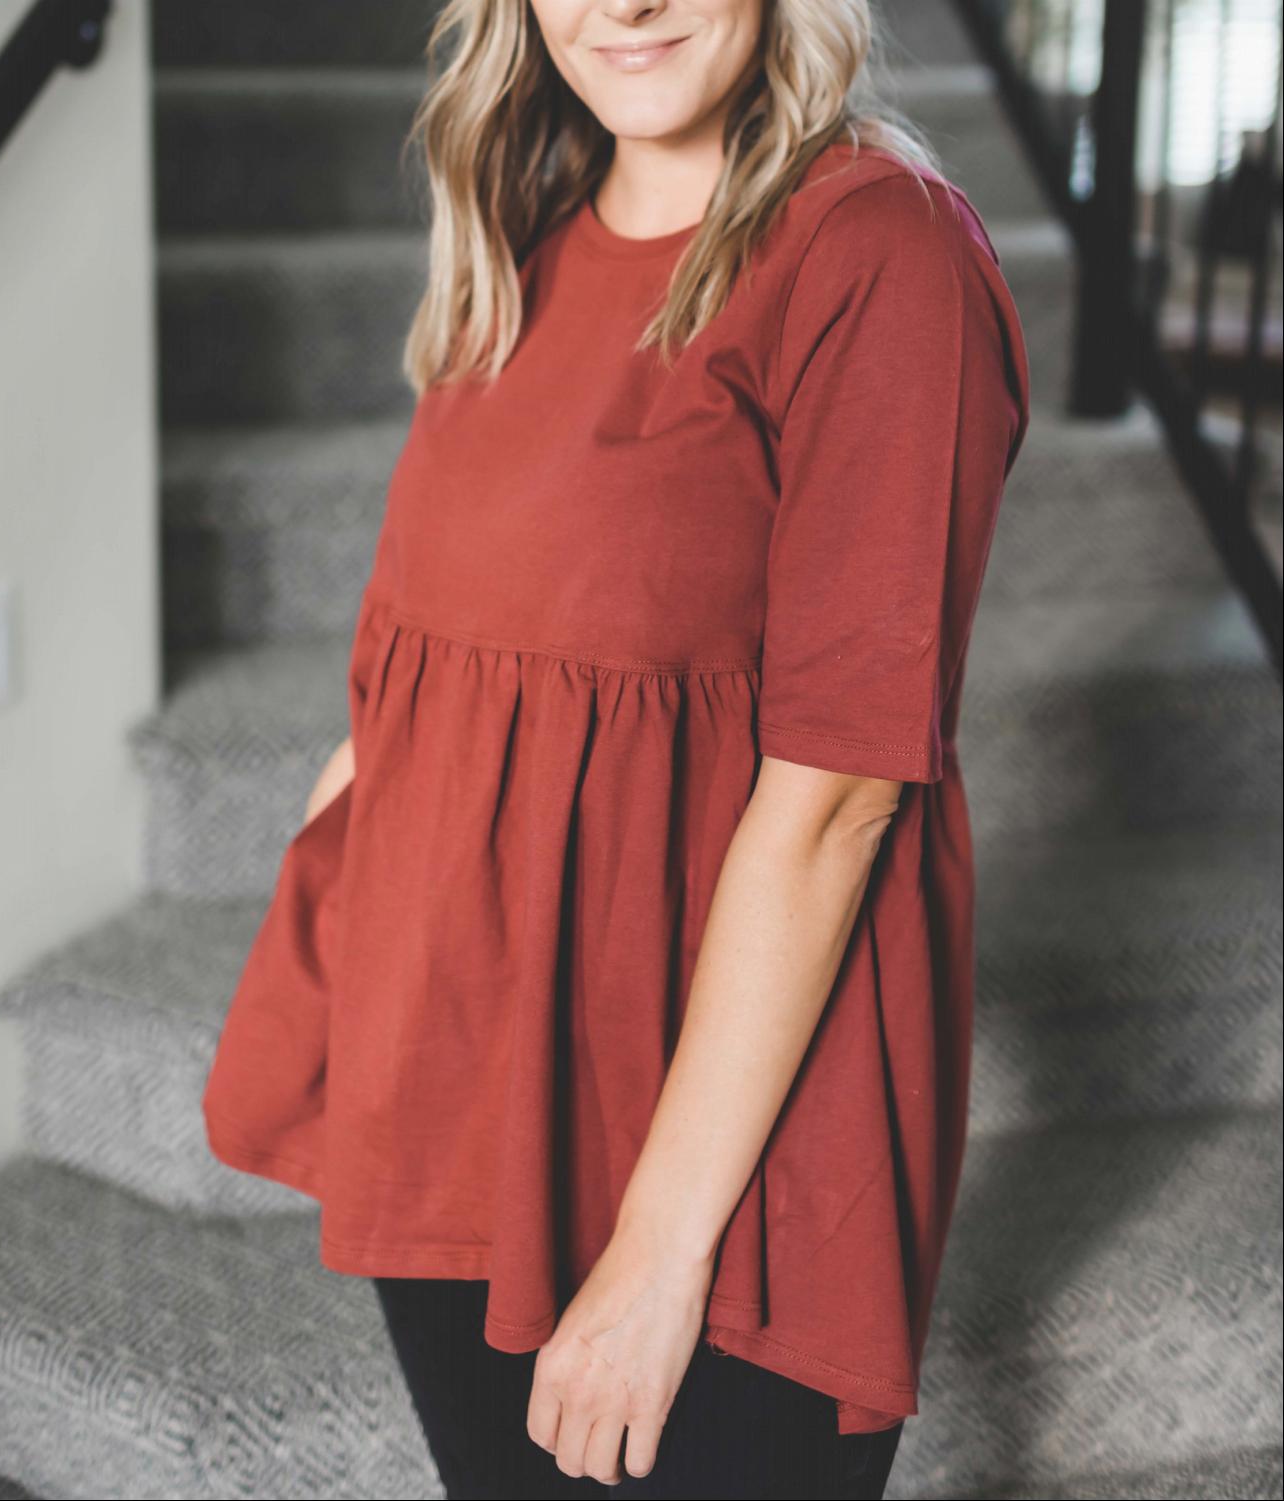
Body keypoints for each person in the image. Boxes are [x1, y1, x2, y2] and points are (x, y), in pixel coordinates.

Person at [199, 0, 1031, 1496]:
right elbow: (433, 683)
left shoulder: (878, 253)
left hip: (713, 1137)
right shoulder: (515, 225)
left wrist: (658, 1260)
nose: (623, 5)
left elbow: (839, 797)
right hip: (461, 1082)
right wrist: (344, 981)